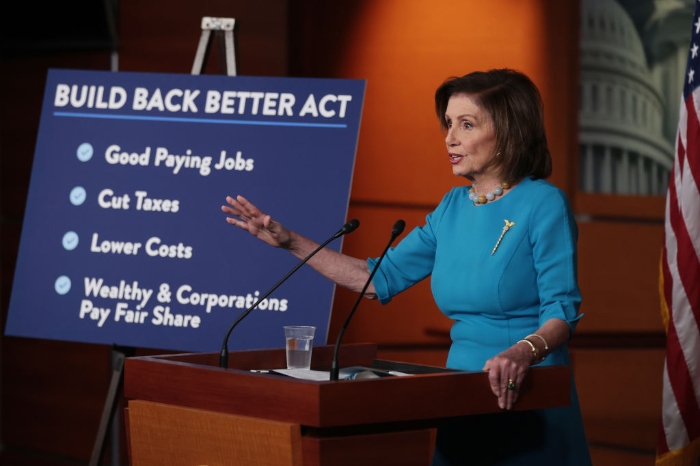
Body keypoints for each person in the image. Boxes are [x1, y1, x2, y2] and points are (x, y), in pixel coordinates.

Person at [221, 68, 592, 465]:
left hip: (527, 391)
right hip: (460, 393)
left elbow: (561, 311)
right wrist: (289, 241)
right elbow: (376, 278)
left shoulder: (543, 204)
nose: (450, 138)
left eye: (466, 125)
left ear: (508, 132)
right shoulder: (452, 207)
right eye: (449, 124)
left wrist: (521, 352)